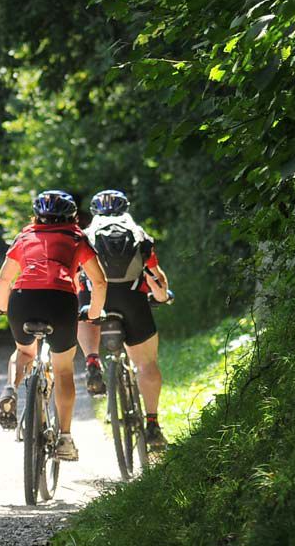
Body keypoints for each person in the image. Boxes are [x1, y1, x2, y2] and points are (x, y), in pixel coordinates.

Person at [0, 190, 107, 462]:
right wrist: (92, 313)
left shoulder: (25, 236)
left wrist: (5, 308)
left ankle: (10, 388)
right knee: (63, 368)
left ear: (37, 216)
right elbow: (100, 281)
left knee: (24, 352)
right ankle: (65, 439)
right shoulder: (77, 237)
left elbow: (3, 279)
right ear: (73, 217)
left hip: (23, 299)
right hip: (61, 300)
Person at [76, 189, 173, 452]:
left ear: (95, 211)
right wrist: (163, 297)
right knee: (147, 365)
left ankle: (92, 361)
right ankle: (152, 425)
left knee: (84, 310)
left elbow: (77, 277)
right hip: (132, 301)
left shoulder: (84, 236)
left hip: (96, 299)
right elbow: (156, 276)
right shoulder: (138, 234)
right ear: (125, 209)